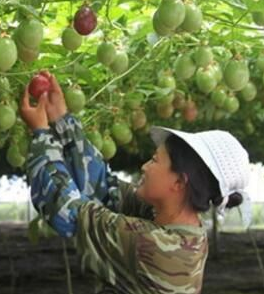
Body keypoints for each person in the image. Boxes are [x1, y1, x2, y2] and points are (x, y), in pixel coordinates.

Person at [19, 71, 251, 294]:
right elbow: (103, 186)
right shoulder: (179, 225)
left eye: (154, 160)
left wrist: (41, 134)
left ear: (179, 181)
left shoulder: (155, 244)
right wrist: (61, 118)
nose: (144, 166)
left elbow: (67, 212)